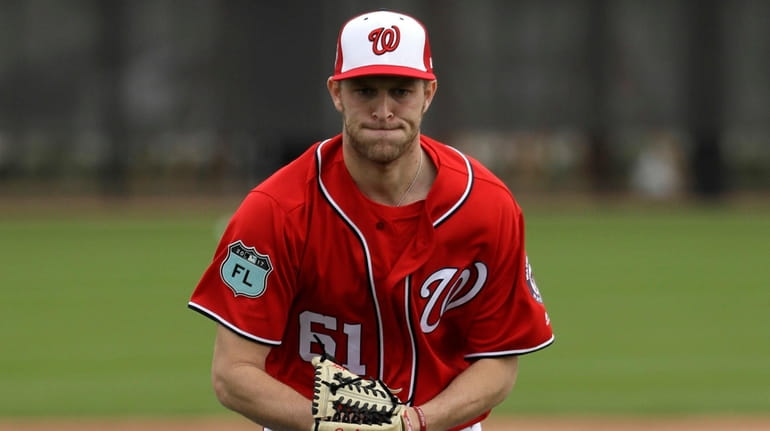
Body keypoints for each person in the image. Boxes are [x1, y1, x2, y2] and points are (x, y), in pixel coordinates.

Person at [188, 10, 554, 431]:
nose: (384, 110)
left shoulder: (485, 206)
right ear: (337, 93)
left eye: (401, 90)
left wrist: (413, 423)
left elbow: (498, 361)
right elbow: (233, 374)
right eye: (365, 91)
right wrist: (340, 426)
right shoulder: (276, 210)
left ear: (429, 93)